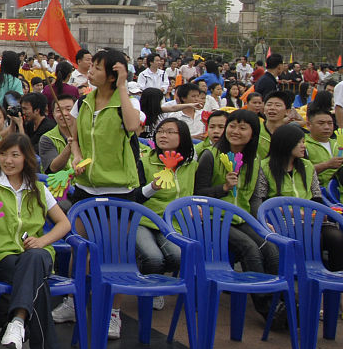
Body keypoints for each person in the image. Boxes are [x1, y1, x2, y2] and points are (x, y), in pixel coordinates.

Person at [49, 49, 141, 337]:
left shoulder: (126, 102)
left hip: (119, 189)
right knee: (80, 248)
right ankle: (73, 302)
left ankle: (113, 313)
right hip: (86, 188)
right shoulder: (84, 102)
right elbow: (74, 137)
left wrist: (123, 86)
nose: (90, 71)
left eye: (98, 68)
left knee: (114, 255)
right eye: (92, 66)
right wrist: (76, 156)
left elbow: (132, 126)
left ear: (114, 74)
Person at [0, 133, 71, 349]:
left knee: (35, 258)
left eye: (15, 155)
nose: (8, 160)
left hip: (36, 252)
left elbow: (64, 223)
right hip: (2, 255)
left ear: (27, 158)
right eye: (3, 154)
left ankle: (17, 320)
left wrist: (42, 241)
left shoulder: (38, 188)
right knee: (39, 284)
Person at [193, 109, 280, 320]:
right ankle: (267, 309)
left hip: (241, 218)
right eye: (232, 126)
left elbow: (253, 199)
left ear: (253, 133)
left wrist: (261, 222)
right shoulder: (210, 156)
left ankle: (281, 301)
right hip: (214, 220)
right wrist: (223, 188)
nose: (235, 131)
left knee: (272, 249)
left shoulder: (255, 161)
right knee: (250, 249)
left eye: (242, 127)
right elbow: (196, 193)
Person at [250, 123, 343, 271]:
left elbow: (316, 196)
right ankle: (307, 276)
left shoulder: (307, 166)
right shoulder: (264, 167)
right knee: (312, 236)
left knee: (337, 238)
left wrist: (319, 213)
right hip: (282, 220)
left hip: (310, 219)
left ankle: (333, 285)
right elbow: (262, 201)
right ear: (286, 143)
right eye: (299, 142)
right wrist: (294, 212)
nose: (303, 146)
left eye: (303, 142)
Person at [137, 118, 197, 293]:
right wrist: (152, 187)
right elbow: (134, 197)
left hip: (173, 223)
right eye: (160, 131)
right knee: (153, 258)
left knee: (178, 256)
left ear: (183, 137)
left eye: (170, 132)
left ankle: (157, 284)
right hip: (145, 221)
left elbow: (197, 192)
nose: (163, 135)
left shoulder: (190, 165)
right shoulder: (145, 161)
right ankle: (149, 294)